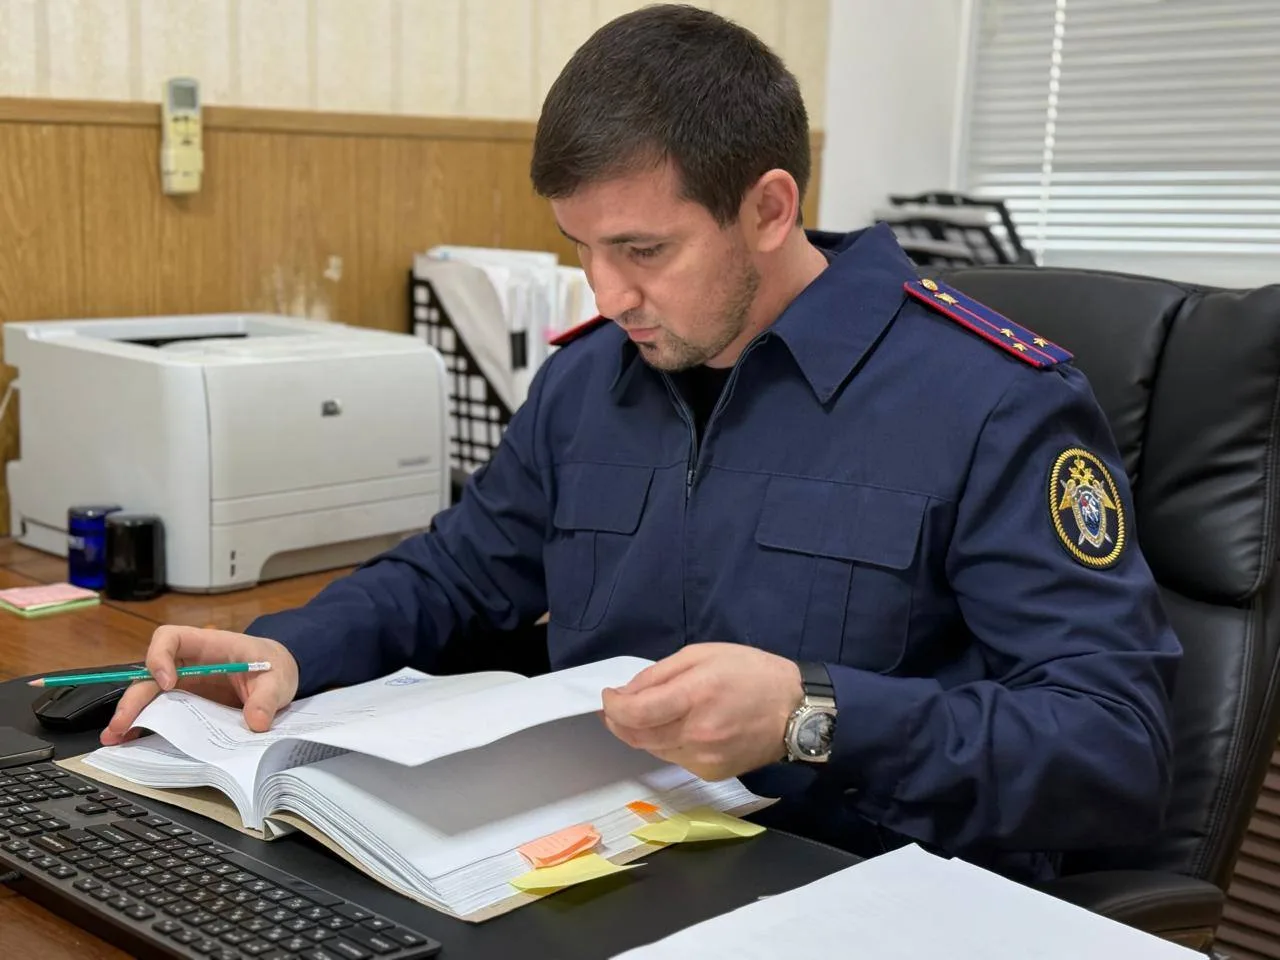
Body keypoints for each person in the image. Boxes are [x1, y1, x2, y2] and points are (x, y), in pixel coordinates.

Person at [102, 4, 1180, 883]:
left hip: (850, 886)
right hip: (584, 868)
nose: (607, 293)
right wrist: (292, 647)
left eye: (643, 249)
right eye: (581, 249)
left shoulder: (986, 400)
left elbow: (1111, 750)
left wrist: (811, 718)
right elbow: (457, 570)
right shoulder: (591, 377)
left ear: (768, 207)